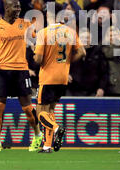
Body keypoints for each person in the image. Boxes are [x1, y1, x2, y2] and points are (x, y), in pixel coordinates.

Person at [0, 0, 42, 152]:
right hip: (2, 71)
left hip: (21, 70)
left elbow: (37, 40)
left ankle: (38, 135)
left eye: (19, 7)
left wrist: (36, 46)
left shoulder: (25, 24)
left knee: (27, 108)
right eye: (16, 7)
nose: (18, 9)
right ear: (7, 8)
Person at [33, 21, 86, 153]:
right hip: (63, 78)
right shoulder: (70, 32)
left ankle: (57, 128)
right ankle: (47, 146)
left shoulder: (43, 32)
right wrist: (67, 62)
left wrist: (33, 55)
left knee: (40, 113)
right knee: (50, 111)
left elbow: (38, 59)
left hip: (47, 77)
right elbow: (82, 52)